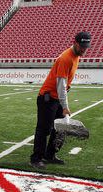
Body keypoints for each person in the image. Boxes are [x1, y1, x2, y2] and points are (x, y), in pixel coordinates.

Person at [30, 31, 91, 169]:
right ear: (75, 43)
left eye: (86, 47)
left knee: (61, 129)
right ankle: (36, 158)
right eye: (82, 46)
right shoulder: (66, 58)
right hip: (48, 98)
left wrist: (62, 104)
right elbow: (61, 86)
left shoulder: (76, 56)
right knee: (44, 129)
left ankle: (50, 155)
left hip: (56, 98)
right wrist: (65, 106)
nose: (84, 50)